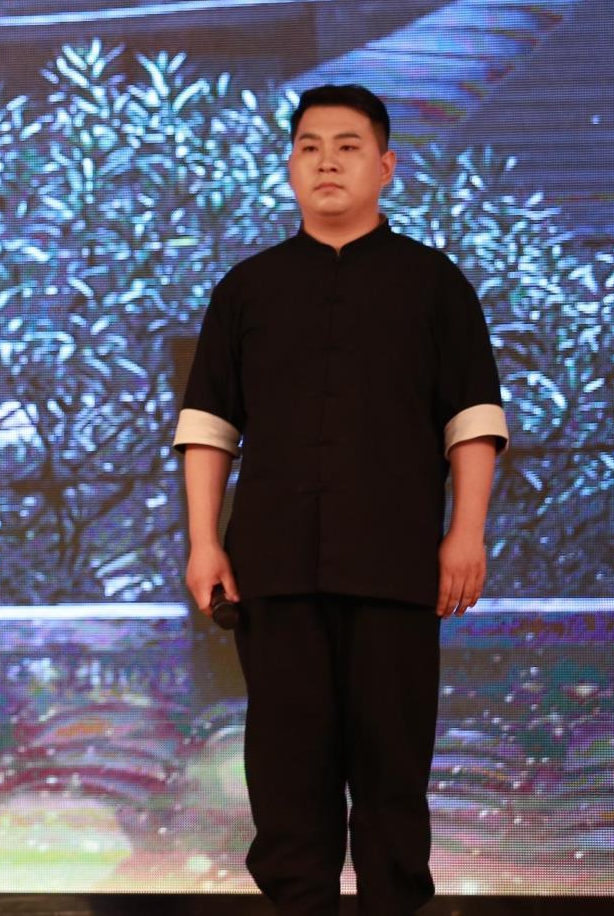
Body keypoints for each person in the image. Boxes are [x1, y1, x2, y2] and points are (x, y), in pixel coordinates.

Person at [175, 83, 507, 915]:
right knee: (286, 772)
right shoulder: (246, 288)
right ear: (290, 165)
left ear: (385, 166)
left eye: (348, 146)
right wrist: (205, 541)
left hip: (396, 565)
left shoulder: (435, 284)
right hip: (275, 567)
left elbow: (472, 420)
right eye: (309, 146)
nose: (327, 161)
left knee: (393, 770)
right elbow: (209, 425)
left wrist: (466, 532)